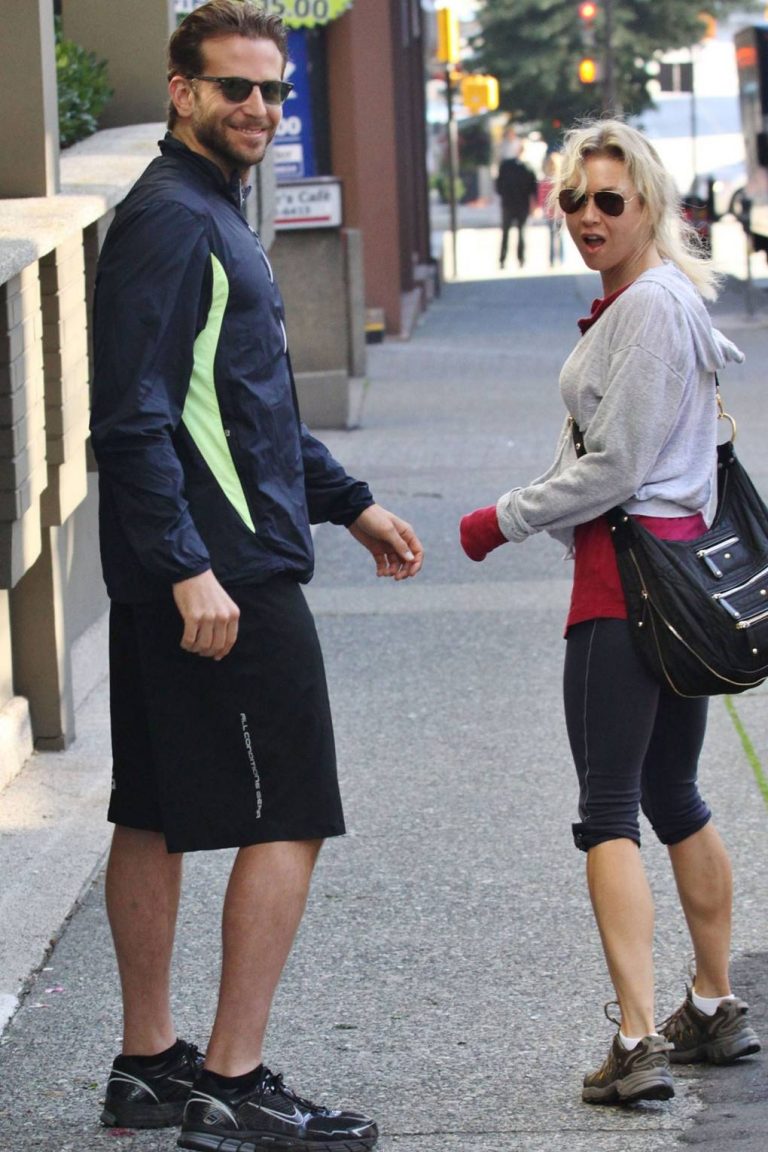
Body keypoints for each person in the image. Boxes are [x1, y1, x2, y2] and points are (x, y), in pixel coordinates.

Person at [89, 3, 423, 1149]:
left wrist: (350, 501)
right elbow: (131, 419)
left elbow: (247, 408)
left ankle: (148, 1065)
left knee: (153, 809)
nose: (260, 109)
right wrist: (189, 567)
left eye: (273, 91)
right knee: (292, 809)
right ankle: (231, 1085)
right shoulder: (174, 222)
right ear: (181, 91)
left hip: (196, 566)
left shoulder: (208, 215)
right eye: (235, 87)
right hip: (222, 580)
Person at [459, 119, 760, 1105]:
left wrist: (499, 519)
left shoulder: (649, 309)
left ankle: (637, 1040)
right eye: (574, 199)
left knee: (609, 813)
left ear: (650, 206)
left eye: (609, 201)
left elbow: (618, 467)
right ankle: (712, 1006)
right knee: (674, 795)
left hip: (624, 585)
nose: (587, 215)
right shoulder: (659, 302)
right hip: (677, 587)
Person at [495, 142, 538, 269]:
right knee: (520, 232)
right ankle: (520, 259)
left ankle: (503, 260)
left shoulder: (506, 165)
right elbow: (533, 189)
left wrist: (504, 195)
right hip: (521, 204)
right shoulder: (528, 168)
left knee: (507, 232)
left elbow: (498, 185)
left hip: (509, 203)